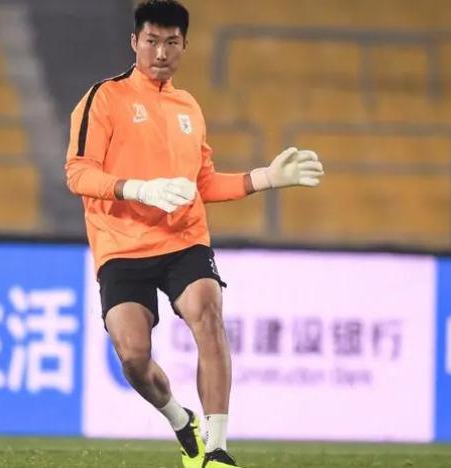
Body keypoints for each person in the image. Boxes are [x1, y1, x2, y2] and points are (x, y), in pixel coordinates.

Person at [65, 1, 324, 467]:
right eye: (151, 41)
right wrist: (138, 188)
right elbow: (78, 173)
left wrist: (263, 178)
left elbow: (202, 184)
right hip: (121, 244)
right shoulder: (104, 98)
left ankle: (218, 449)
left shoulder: (188, 107)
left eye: (171, 42)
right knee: (133, 357)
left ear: (184, 45)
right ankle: (181, 420)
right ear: (134, 42)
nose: (160, 52)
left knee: (207, 312)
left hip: (183, 239)